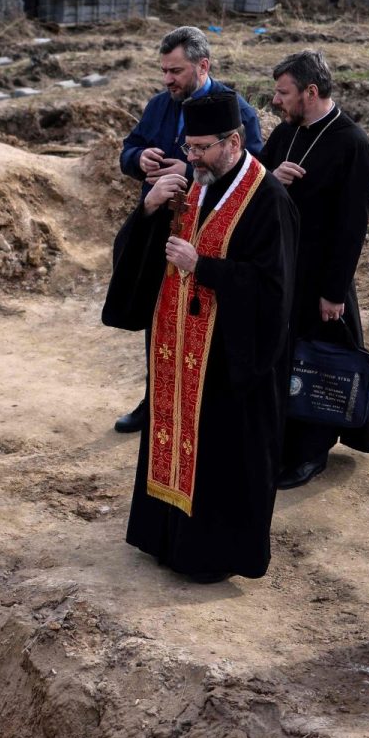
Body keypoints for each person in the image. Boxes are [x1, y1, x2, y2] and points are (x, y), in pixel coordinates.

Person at [105, 90, 297, 583]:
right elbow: (142, 257)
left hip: (229, 358)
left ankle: (207, 555)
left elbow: (274, 289)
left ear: (233, 142)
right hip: (175, 345)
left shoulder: (267, 199)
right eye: (188, 148)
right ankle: (162, 536)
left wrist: (205, 267)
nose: (191, 158)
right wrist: (148, 208)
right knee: (169, 435)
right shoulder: (192, 184)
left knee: (217, 454)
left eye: (201, 149)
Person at [112, 26, 265, 435]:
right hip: (160, 230)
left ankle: (202, 407)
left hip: (210, 234)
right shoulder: (159, 105)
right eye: (163, 71)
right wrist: (139, 158)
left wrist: (193, 171)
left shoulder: (238, 111)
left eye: (175, 71)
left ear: (203, 65)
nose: (167, 80)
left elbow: (252, 175)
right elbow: (128, 149)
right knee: (159, 317)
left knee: (203, 328)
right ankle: (155, 399)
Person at [260, 49, 369, 489]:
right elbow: (256, 179)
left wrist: (332, 292)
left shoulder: (353, 145)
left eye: (283, 92)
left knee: (318, 364)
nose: (277, 101)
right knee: (286, 361)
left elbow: (352, 229)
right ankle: (285, 444)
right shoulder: (286, 133)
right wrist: (272, 177)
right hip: (283, 272)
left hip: (321, 281)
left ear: (311, 92)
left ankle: (311, 454)